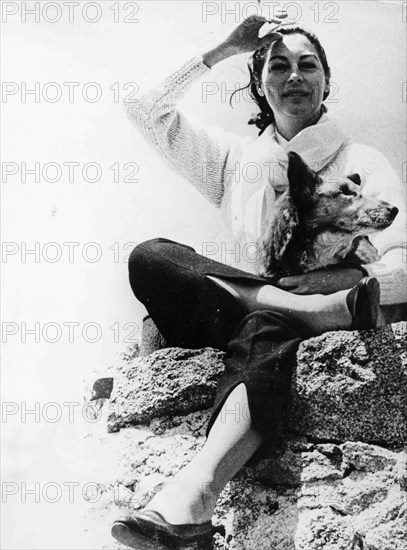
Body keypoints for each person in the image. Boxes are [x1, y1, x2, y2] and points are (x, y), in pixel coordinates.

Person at [111, 14, 407, 549]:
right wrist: (222, 49)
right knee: (152, 257)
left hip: (277, 332)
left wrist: (337, 278)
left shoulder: (362, 162)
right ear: (259, 83)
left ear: (326, 80)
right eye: (278, 64)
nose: (294, 75)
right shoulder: (233, 162)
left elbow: (404, 263)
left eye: (308, 64)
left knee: (267, 325)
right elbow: (142, 108)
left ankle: (193, 499)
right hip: (238, 308)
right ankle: (282, 303)